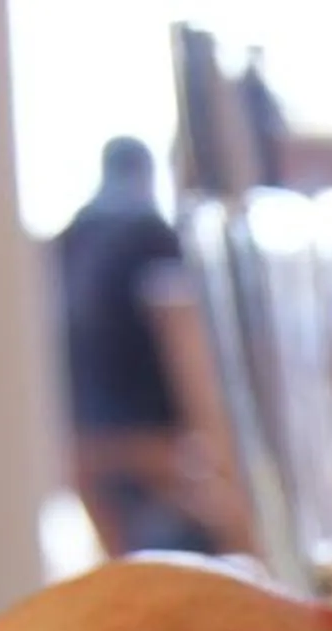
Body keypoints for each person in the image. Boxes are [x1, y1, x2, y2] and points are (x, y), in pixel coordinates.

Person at [52, 137, 212, 555]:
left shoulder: (70, 237)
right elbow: (183, 334)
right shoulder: (152, 236)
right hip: (154, 448)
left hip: (86, 445)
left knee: (127, 572)